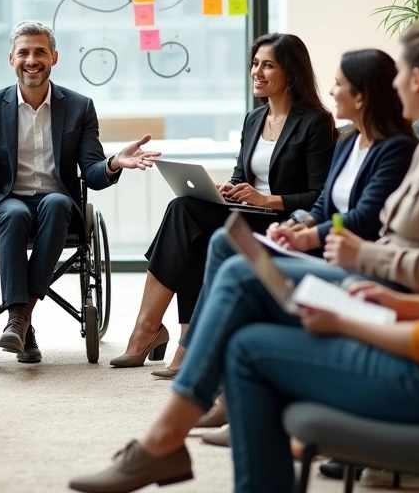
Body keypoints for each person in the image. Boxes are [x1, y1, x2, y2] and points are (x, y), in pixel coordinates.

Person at [68, 15, 419, 493]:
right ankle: (166, 434)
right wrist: (384, 302)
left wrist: (351, 321)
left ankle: (163, 437)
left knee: (248, 335)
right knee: (241, 279)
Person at [0, 20, 159, 362]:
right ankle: (22, 323)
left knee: (55, 203)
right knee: (12, 213)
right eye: (23, 52)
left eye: (40, 51)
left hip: (57, 204)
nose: (31, 59)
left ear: (54, 57)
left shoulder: (79, 106)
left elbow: (94, 174)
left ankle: (18, 318)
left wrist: (114, 162)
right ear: (12, 58)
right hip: (8, 202)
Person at [113, 32, 336, 374]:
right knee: (191, 219)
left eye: (268, 65)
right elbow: (240, 174)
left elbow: (319, 195)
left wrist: (266, 199)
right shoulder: (253, 119)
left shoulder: (314, 122)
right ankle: (185, 338)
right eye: (255, 64)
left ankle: (148, 331)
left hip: (279, 222)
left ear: (291, 72)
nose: (257, 72)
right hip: (245, 212)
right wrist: (226, 190)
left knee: (183, 212)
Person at [264, 48, 417, 254]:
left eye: (338, 83)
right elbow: (324, 201)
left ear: (360, 97)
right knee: (227, 244)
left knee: (237, 264)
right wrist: (299, 225)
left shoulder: (397, 149)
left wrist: (307, 239)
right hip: (326, 247)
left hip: (358, 259)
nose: (331, 91)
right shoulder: (346, 141)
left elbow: (365, 218)